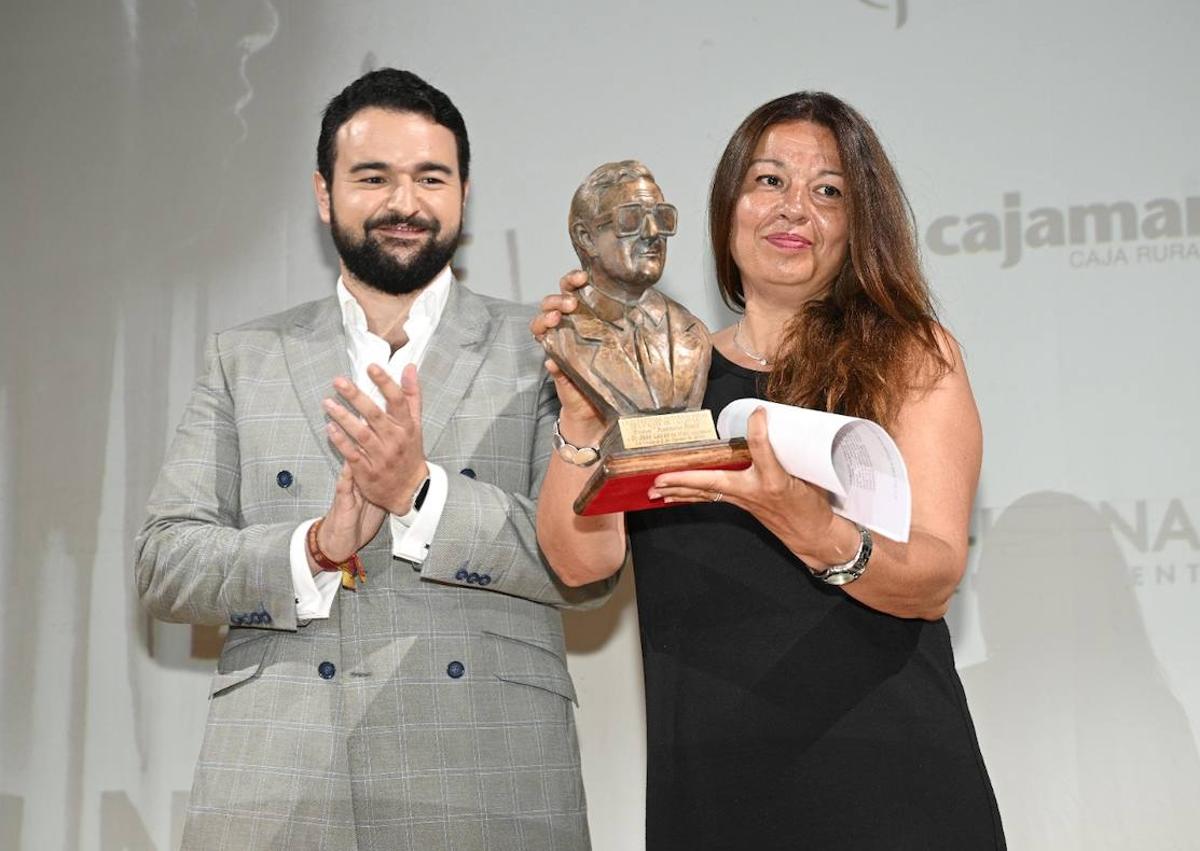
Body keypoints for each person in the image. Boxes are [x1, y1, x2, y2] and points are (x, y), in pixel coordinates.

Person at [135, 68, 612, 851]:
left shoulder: (549, 350)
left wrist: (422, 496)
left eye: (431, 176)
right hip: (280, 779)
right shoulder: (245, 357)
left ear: (464, 194)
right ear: (324, 195)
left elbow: (590, 568)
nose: (404, 202)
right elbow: (163, 563)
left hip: (489, 777)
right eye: (373, 177)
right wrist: (317, 545)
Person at [533, 92, 1005, 849]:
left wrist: (810, 525)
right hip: (712, 789)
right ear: (727, 208)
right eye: (768, 181)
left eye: (828, 192)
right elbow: (582, 562)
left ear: (858, 227)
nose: (795, 210)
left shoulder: (912, 356)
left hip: (889, 783)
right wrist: (585, 420)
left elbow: (934, 573)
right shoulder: (658, 375)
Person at [541, 160, 709, 421]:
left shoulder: (693, 332)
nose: (653, 232)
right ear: (587, 238)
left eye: (661, 217)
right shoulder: (565, 334)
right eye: (631, 219)